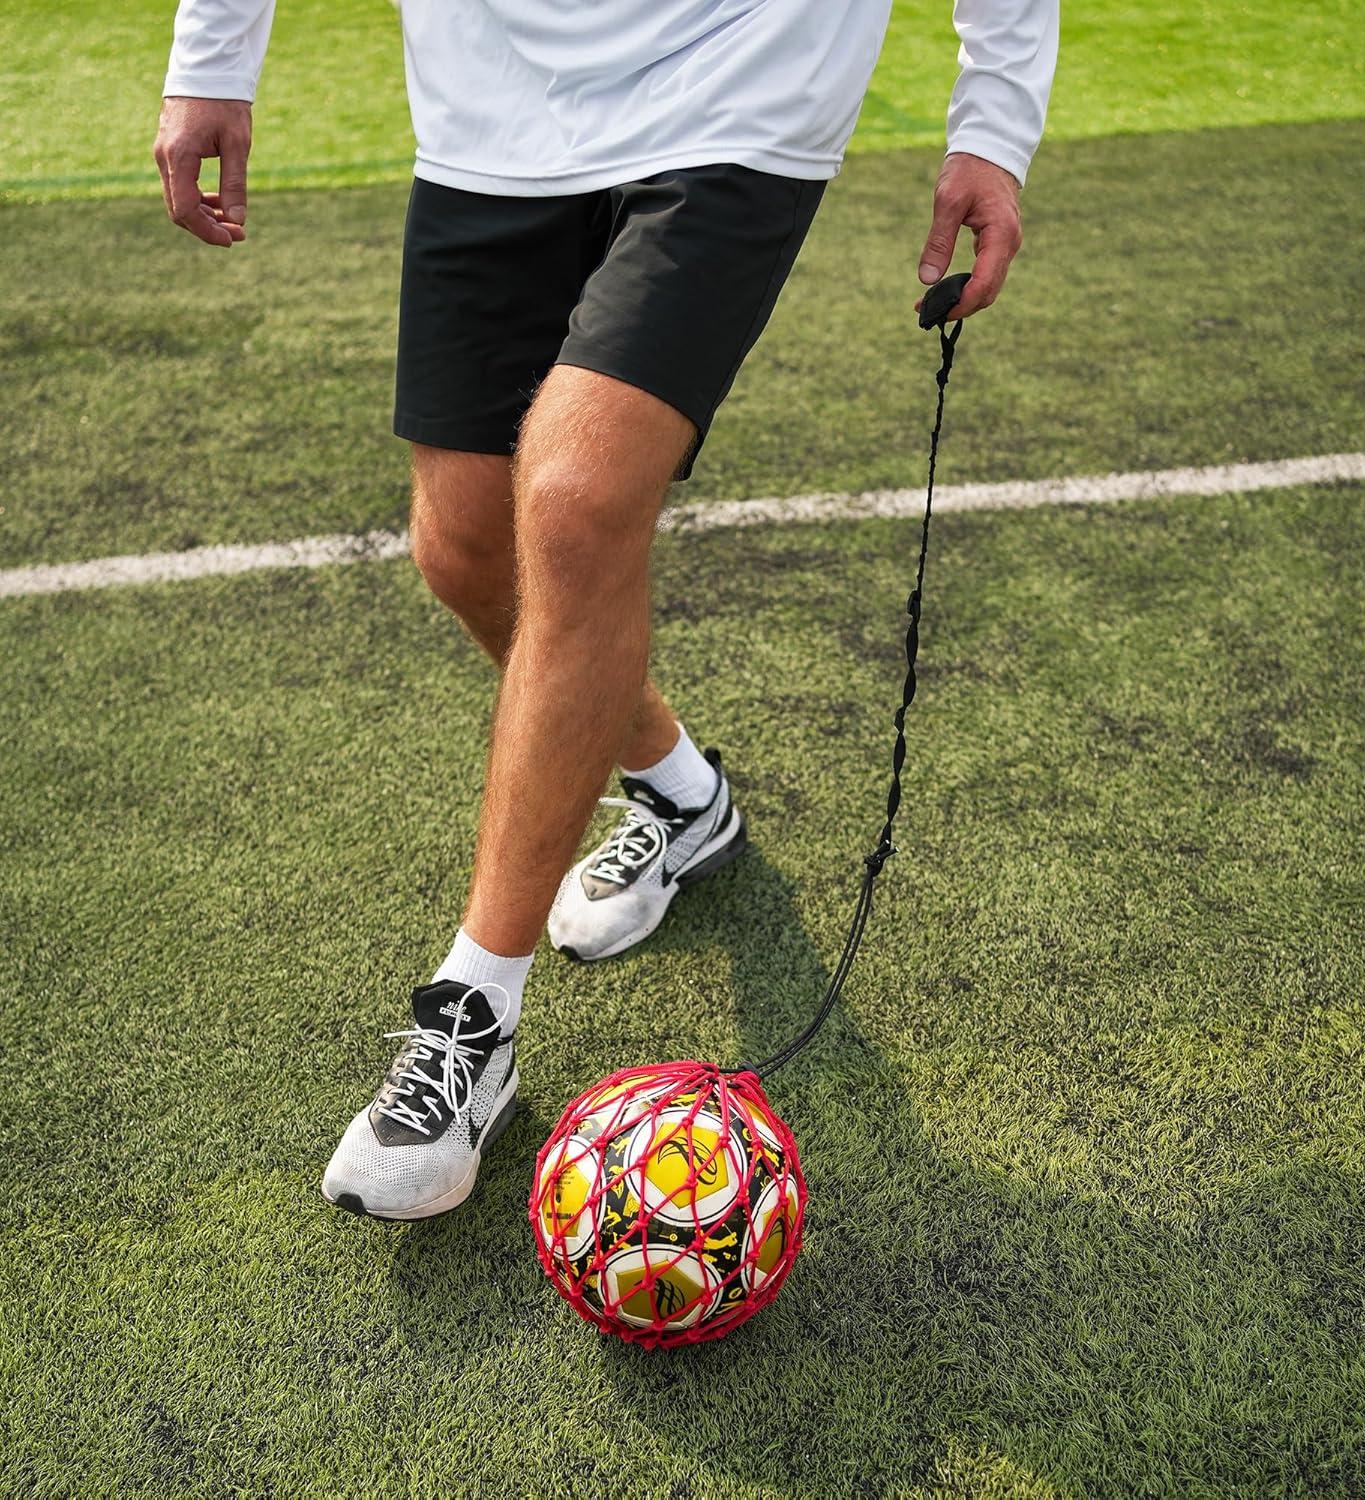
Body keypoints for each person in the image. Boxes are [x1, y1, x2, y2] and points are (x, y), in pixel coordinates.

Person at [154, 0, 1058, 1220]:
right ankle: (686, 796)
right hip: (491, 92)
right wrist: (212, 53)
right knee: (467, 551)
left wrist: (992, 124)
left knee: (574, 507)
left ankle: (475, 1018)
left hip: (743, 75)